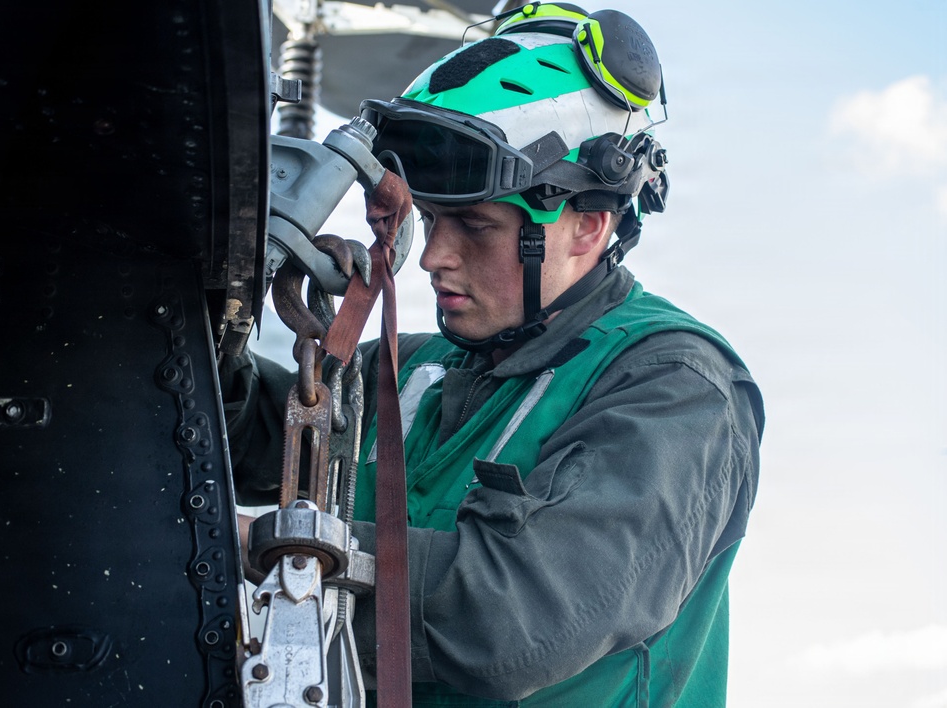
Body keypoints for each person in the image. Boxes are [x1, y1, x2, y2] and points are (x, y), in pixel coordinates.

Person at [222, 4, 765, 705]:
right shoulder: (416, 371)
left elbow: (513, 618)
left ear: (586, 226)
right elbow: (230, 421)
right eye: (434, 221)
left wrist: (261, 544)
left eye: (475, 227)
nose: (436, 258)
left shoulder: (676, 387)